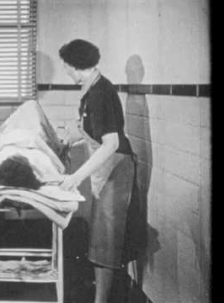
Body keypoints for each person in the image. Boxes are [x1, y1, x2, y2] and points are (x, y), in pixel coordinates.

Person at [58, 39, 138, 303]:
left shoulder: (100, 93)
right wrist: (67, 139)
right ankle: (100, 295)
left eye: (66, 66)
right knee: (102, 238)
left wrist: (76, 177)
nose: (66, 71)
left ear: (73, 65)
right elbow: (91, 130)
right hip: (107, 167)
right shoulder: (92, 88)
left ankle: (101, 300)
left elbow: (111, 142)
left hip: (116, 168)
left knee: (106, 240)